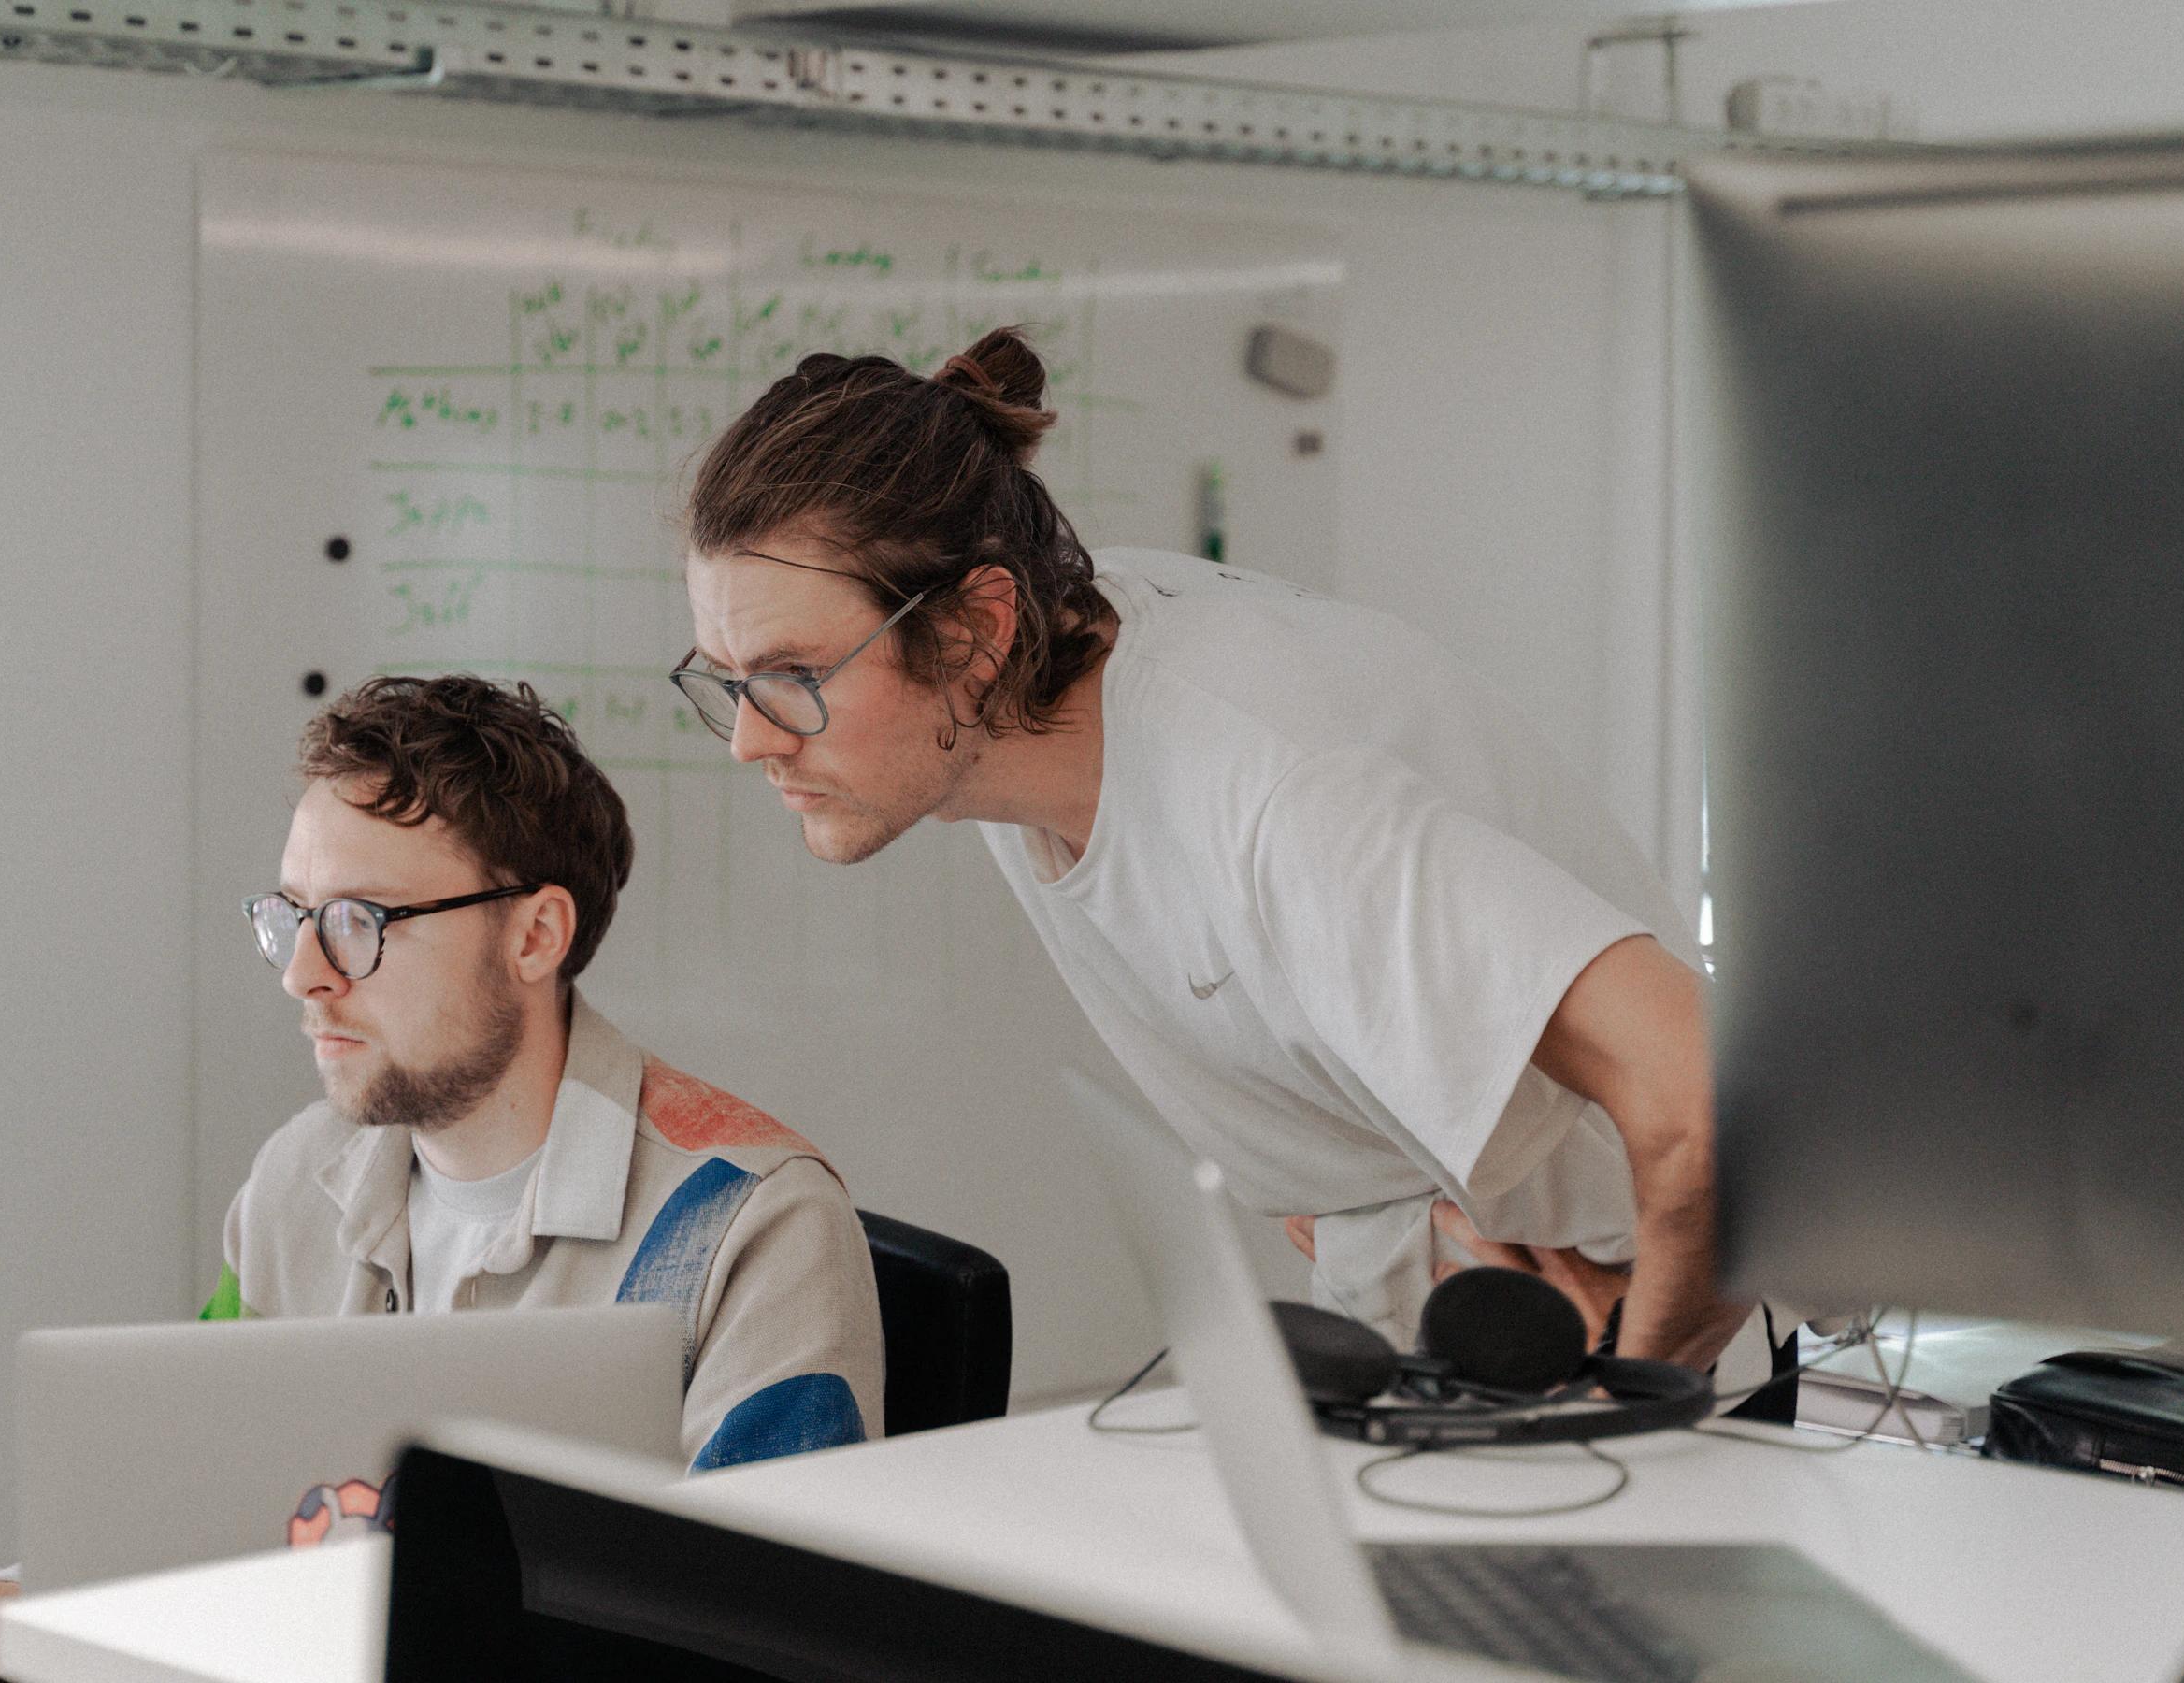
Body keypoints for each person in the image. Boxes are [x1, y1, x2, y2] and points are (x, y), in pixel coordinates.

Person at [670, 325, 1773, 1396]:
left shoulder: (1270, 791)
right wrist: (1383, 1207)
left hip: (1665, 1331)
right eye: (725, 678)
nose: (750, 738)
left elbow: (1724, 1110)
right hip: (1477, 1330)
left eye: (793, 676)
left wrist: (1637, 1391)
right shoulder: (1038, 699)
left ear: (972, 631)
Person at [0, 673, 884, 1683]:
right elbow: (199, 1529)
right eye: (291, 915)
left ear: (535, 935)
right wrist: (41, 1615)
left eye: (358, 923)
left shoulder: (752, 1224)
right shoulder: (300, 1177)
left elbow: (770, 1653)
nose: (304, 973)